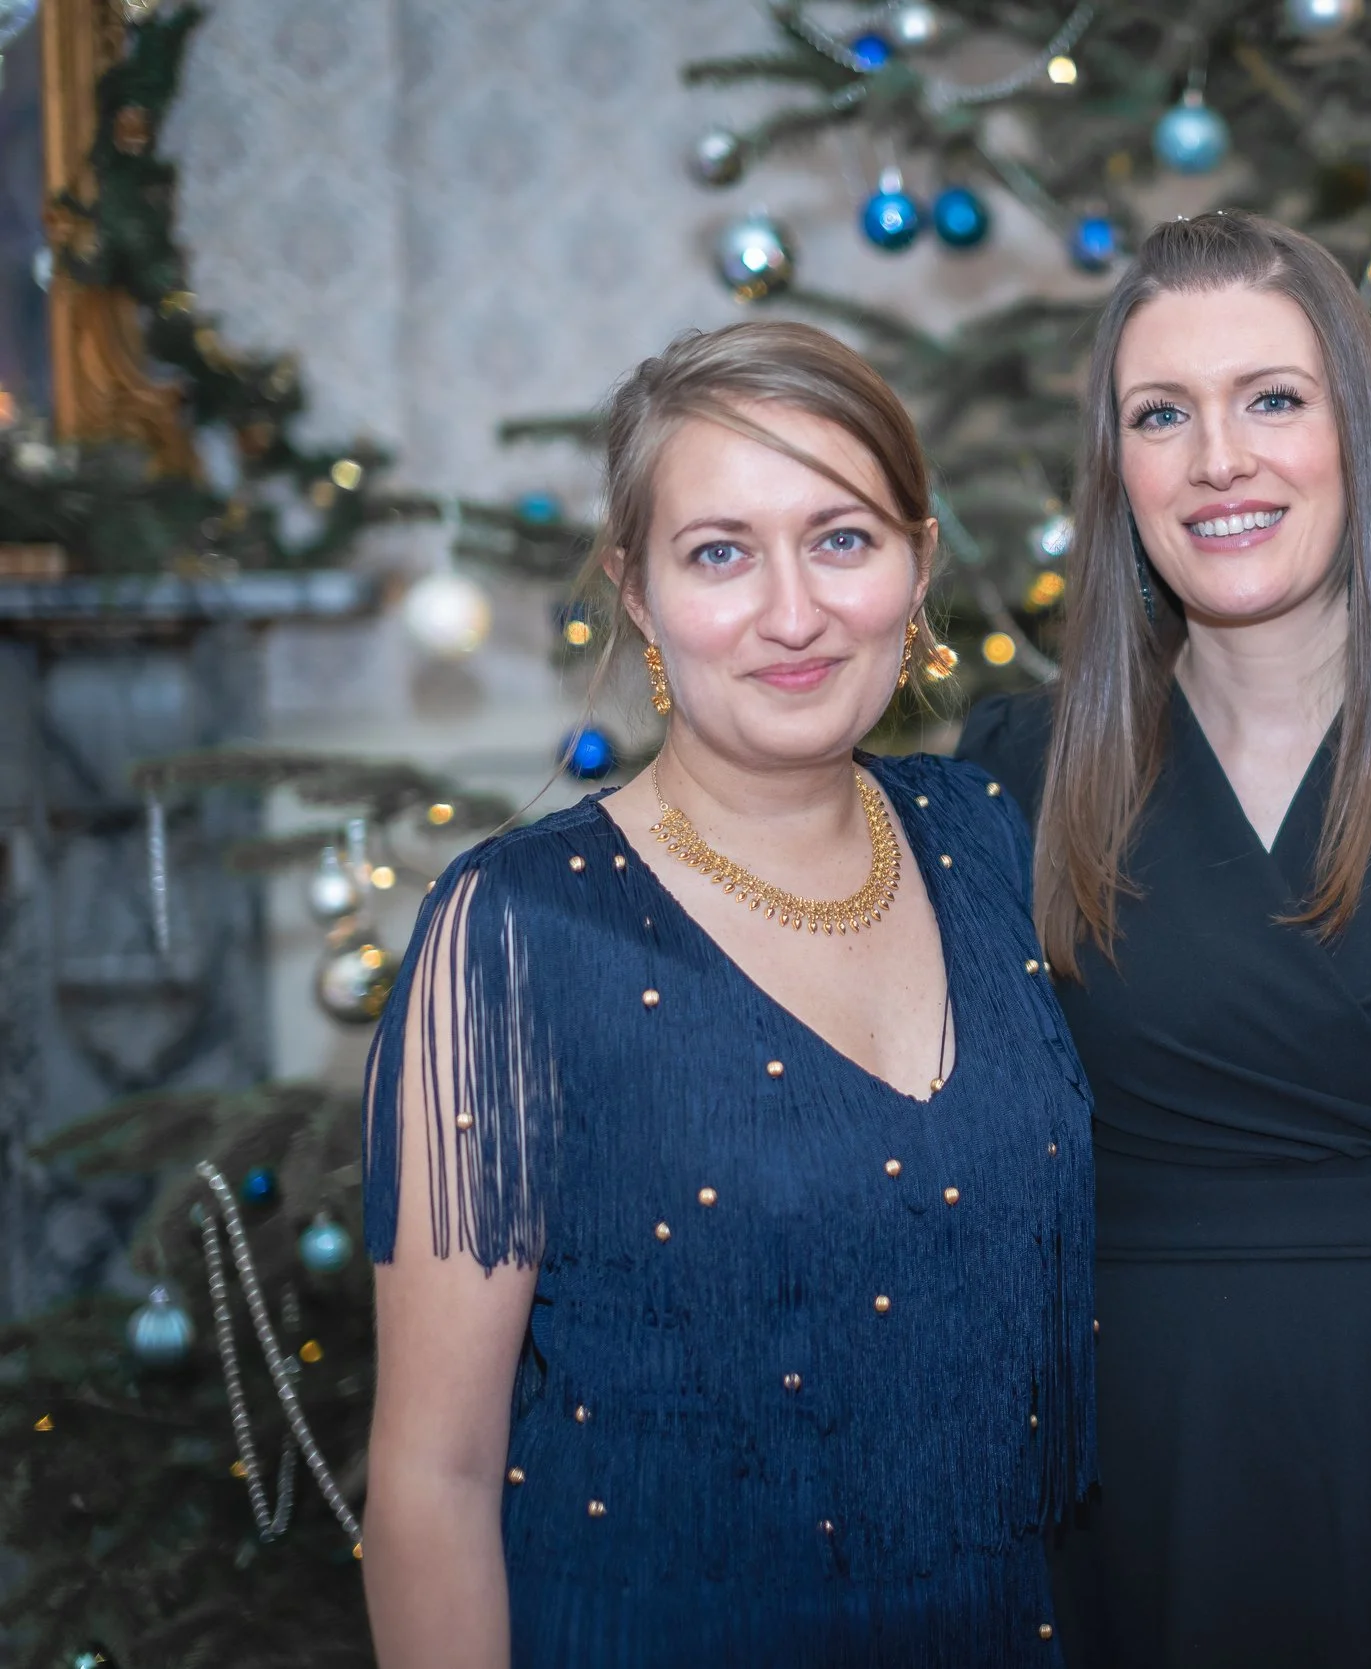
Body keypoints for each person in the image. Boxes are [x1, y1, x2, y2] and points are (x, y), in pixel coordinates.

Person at [359, 321, 1094, 1668]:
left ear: (919, 563)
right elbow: (431, 1484)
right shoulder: (516, 930)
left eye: (843, 539)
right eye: (719, 554)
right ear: (634, 591)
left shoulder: (993, 839)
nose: (794, 613)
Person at [957, 211, 1371, 1669]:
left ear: (1355, 433)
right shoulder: (1017, 771)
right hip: (1155, 1469)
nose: (1219, 459)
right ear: (1117, 472)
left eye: (1273, 400)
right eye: (1161, 415)